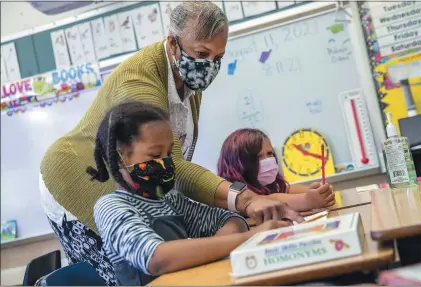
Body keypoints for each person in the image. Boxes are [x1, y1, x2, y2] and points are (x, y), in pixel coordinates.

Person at [39, 2, 299, 284]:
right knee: (123, 271)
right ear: (174, 44)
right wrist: (247, 205)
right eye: (202, 53)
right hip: (75, 179)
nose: (210, 65)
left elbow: (209, 208)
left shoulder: (188, 77)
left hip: (141, 190)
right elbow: (158, 253)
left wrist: (236, 229)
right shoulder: (137, 84)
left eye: (218, 57)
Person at [90, 102, 291, 285]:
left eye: (169, 154)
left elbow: (230, 220)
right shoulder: (110, 207)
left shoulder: (170, 199)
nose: (166, 162)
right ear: (119, 160)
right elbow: (156, 259)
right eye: (155, 155)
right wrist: (252, 236)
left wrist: (205, 250)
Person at [217, 128, 336, 212]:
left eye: (269, 154)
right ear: (237, 163)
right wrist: (306, 200)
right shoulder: (233, 189)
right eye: (258, 157)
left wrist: (317, 191)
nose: (267, 160)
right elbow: (267, 200)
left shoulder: (265, 184)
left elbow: (285, 189)